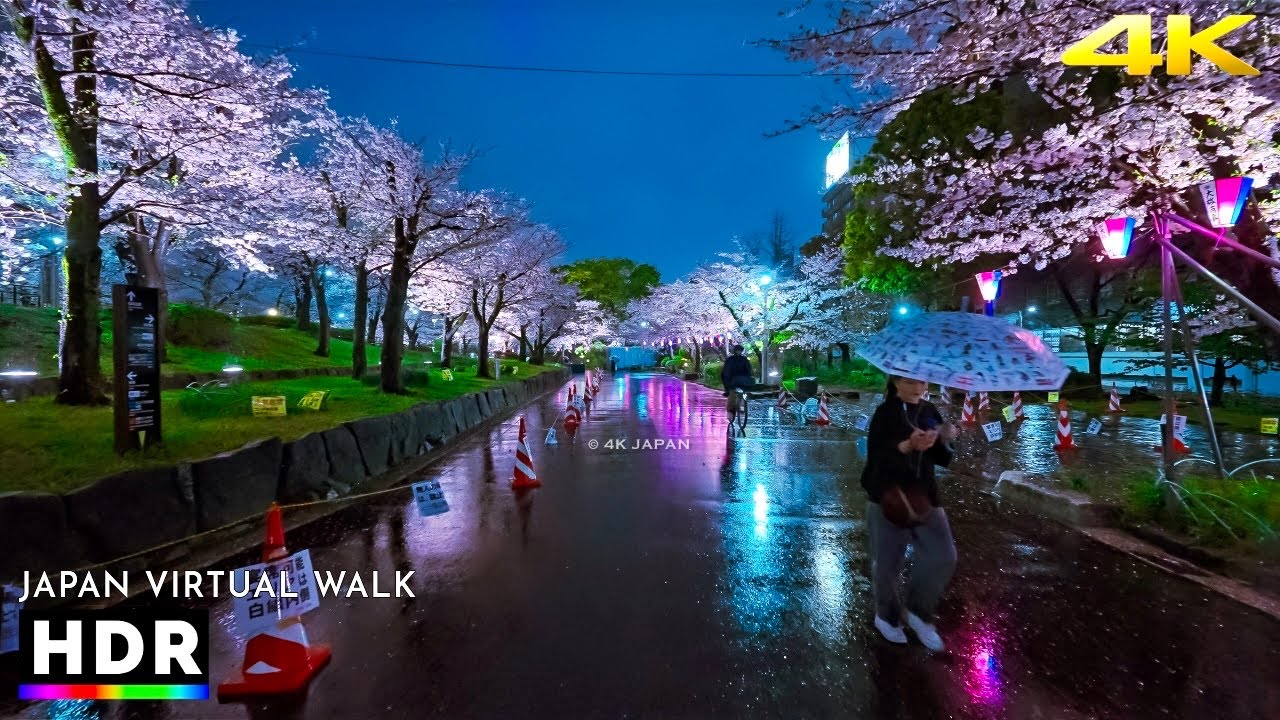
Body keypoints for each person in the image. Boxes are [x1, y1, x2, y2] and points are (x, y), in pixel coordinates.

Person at [859, 374, 958, 651]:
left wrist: (946, 439)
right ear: (896, 382)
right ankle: (887, 616)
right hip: (888, 498)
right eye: (910, 382)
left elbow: (942, 459)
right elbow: (876, 459)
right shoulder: (885, 413)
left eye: (923, 382)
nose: (918, 388)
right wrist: (906, 446)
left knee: (943, 556)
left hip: (924, 496)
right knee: (888, 564)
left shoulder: (928, 410)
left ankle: (918, 612)